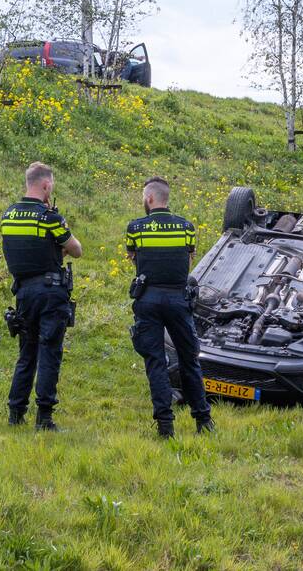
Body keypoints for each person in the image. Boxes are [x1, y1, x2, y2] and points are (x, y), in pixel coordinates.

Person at [125, 177, 213, 438]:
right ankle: (203, 421)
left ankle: (165, 426)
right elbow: (188, 258)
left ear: (150, 199)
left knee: (155, 362)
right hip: (178, 300)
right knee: (189, 361)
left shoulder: (136, 228)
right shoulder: (186, 227)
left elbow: (133, 259)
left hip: (148, 299)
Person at [0, 162, 82, 430]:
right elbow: (76, 249)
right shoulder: (50, 218)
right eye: (52, 186)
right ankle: (44, 418)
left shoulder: (9, 215)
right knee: (49, 352)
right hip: (50, 293)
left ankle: (16, 413)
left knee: (27, 352)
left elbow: (28, 251)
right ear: (46, 185)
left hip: (23, 293)